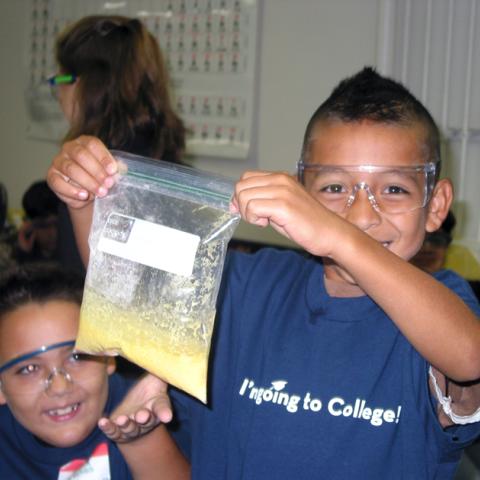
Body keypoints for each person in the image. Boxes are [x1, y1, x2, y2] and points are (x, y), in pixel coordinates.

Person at [47, 67, 480, 479]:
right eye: (333, 188)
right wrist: (88, 198)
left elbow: (468, 357)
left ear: (437, 205)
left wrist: (338, 236)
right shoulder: (246, 282)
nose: (362, 215)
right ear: (301, 190)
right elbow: (126, 298)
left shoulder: (441, 305)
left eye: (394, 189)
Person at [0, 263, 188, 479]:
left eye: (76, 357)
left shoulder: (157, 412)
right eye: (29, 368)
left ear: (109, 359)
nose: (60, 387)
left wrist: (142, 440)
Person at [49, 14, 186, 274]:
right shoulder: (162, 158)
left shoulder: (94, 172)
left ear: (90, 84)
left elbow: (107, 281)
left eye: (61, 80)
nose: (58, 93)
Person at [14, 180, 60, 265]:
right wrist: (24, 255)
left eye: (57, 225)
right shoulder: (11, 252)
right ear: (29, 225)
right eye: (43, 226)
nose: (52, 234)